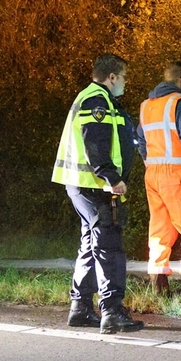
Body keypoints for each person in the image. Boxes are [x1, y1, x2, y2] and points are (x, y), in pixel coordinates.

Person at [52, 53, 144, 334]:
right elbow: (95, 141)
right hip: (94, 185)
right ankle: (112, 312)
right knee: (109, 246)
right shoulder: (97, 100)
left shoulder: (95, 98)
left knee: (91, 244)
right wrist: (111, 176)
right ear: (112, 77)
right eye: (124, 76)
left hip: (84, 184)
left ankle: (80, 308)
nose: (126, 82)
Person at [136, 61, 181, 301]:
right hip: (179, 174)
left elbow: (140, 141)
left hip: (153, 174)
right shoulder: (180, 103)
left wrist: (150, 163)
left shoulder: (146, 105)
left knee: (159, 231)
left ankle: (159, 292)